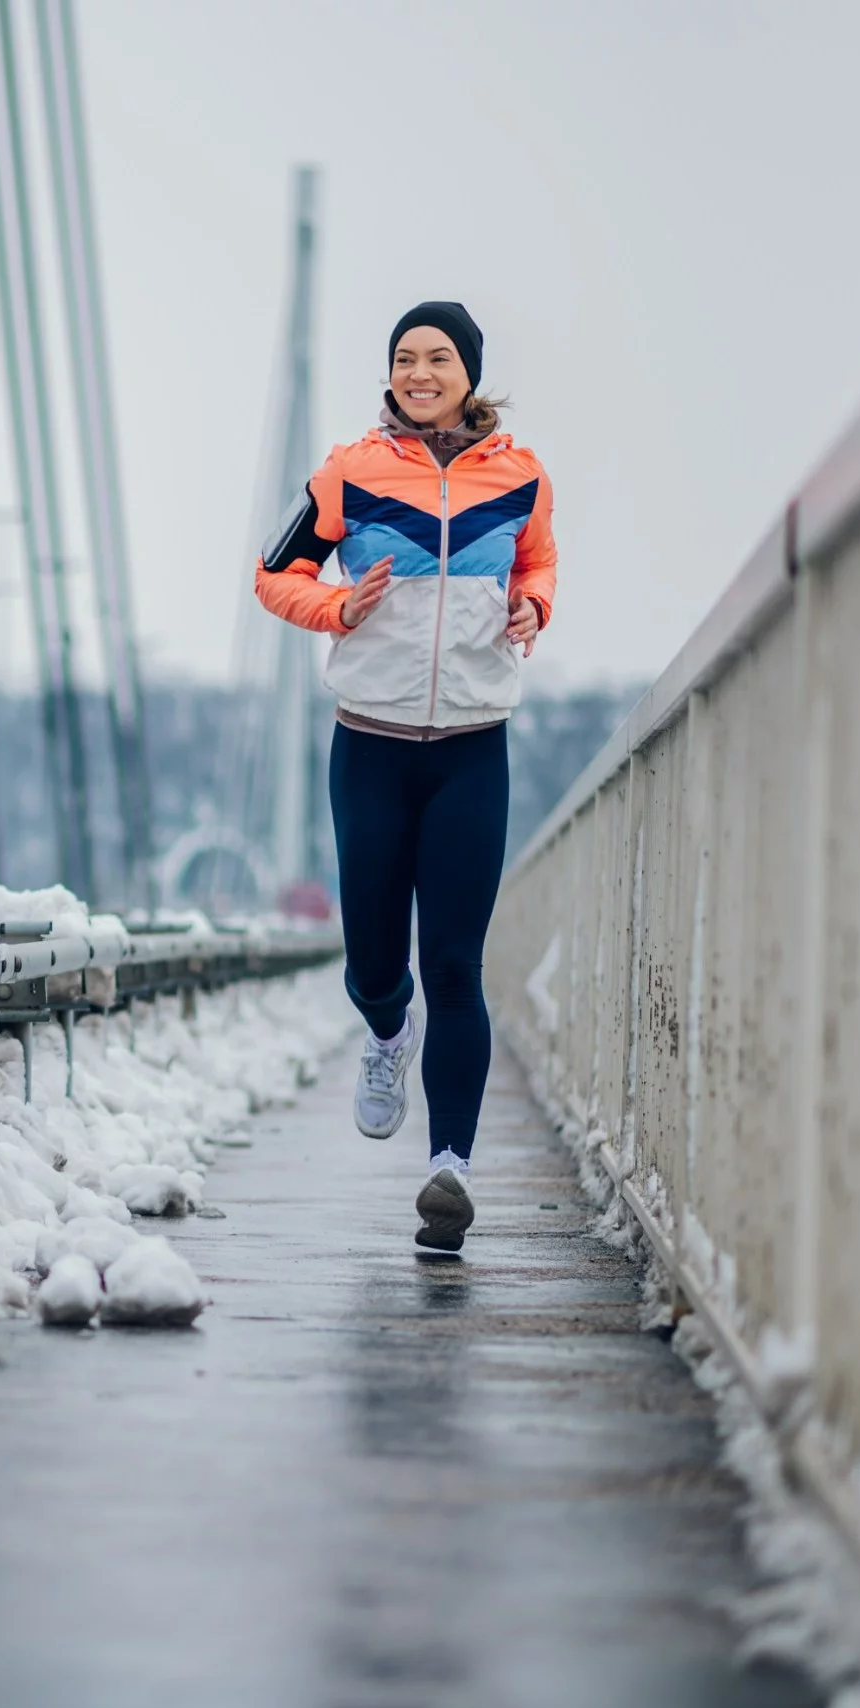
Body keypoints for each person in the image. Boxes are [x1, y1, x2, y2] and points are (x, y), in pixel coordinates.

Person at [254, 301, 556, 1254]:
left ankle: (450, 1172)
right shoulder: (350, 471)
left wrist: (531, 608)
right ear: (390, 374)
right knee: (377, 964)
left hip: (473, 746)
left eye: (437, 358)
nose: (420, 372)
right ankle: (388, 1037)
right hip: (372, 745)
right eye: (404, 358)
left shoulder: (520, 475)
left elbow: (537, 563)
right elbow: (274, 572)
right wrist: (340, 607)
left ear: (468, 372)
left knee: (455, 966)